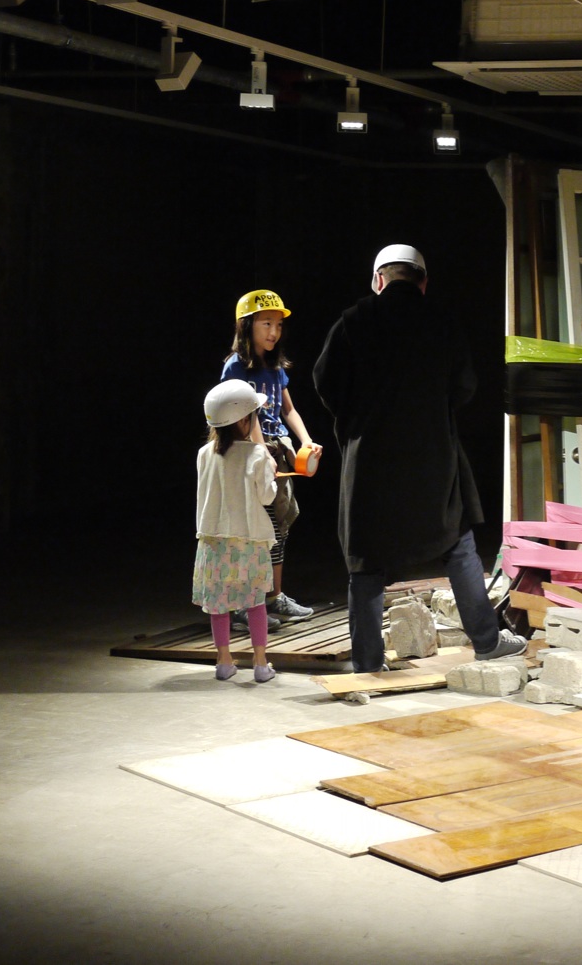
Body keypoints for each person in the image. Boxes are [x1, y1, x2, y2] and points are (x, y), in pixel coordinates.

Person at [313, 245, 525, 673]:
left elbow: (325, 381)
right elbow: (465, 386)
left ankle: (368, 663)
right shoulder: (442, 321)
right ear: (423, 283)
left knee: (366, 557)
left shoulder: (353, 321)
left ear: (378, 280)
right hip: (432, 453)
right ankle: (487, 641)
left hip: (370, 457)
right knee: (457, 542)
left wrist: (358, 420)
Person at [221, 290, 321, 631]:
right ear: (246, 326)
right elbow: (239, 413)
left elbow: (288, 409)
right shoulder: (236, 367)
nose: (274, 332)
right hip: (247, 455)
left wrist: (306, 440)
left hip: (276, 452)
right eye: (266, 324)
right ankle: (240, 604)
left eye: (278, 325)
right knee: (251, 531)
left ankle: (272, 596)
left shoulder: (275, 367)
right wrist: (260, 449)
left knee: (278, 527)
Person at [193, 380, 279, 683]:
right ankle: (260, 663)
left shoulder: (204, 453)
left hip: (213, 539)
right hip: (249, 539)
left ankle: (224, 661)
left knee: (218, 604)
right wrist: (271, 473)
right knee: (255, 602)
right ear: (244, 420)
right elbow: (267, 497)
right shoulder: (256, 454)